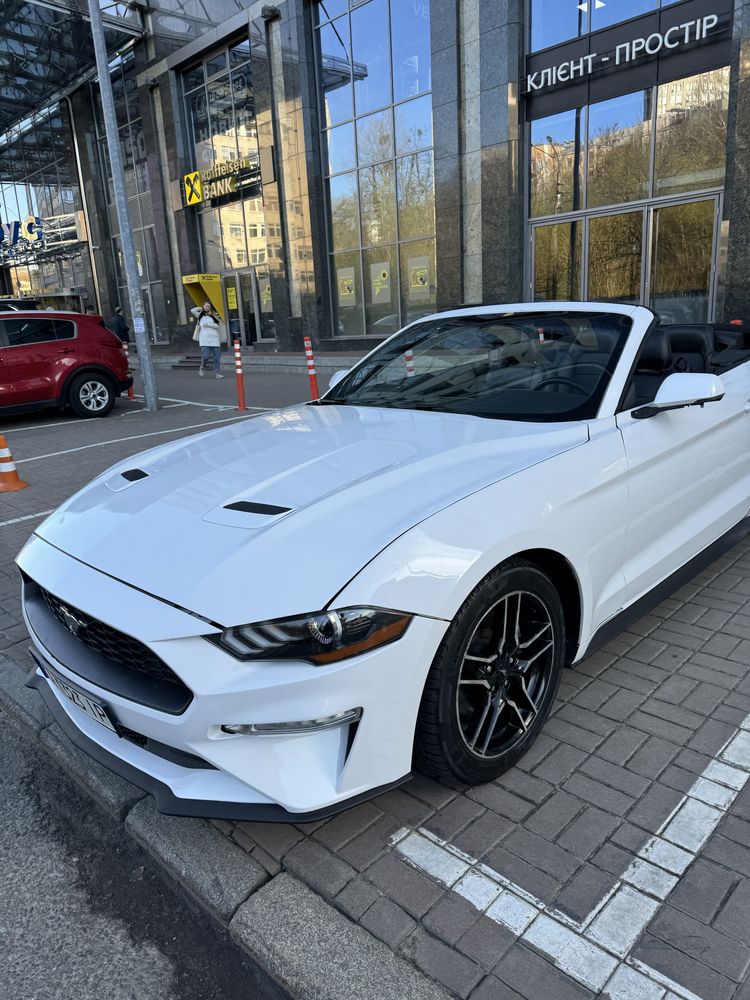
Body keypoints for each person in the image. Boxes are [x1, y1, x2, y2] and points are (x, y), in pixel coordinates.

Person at [191, 301, 226, 378]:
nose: (207, 308)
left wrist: (208, 324)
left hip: (214, 339)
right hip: (204, 339)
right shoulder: (200, 315)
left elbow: (217, 326)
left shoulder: (214, 315)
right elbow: (192, 310)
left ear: (211, 308)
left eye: (209, 306)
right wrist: (200, 308)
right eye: (206, 306)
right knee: (206, 356)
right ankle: (203, 366)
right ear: (203, 306)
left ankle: (218, 373)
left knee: (217, 357)